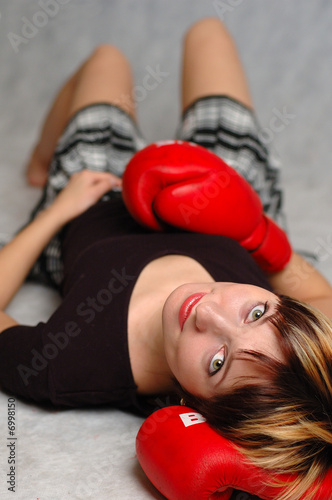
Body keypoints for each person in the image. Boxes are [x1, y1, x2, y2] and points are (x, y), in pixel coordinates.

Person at [1, 17, 332, 500]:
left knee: (106, 59)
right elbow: (320, 294)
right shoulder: (300, 356)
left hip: (95, 198)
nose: (208, 311)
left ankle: (38, 159)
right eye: (256, 311)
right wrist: (258, 233)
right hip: (225, 188)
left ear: (196, 407)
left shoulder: (69, 364)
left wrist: (53, 213)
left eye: (217, 362)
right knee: (209, 32)